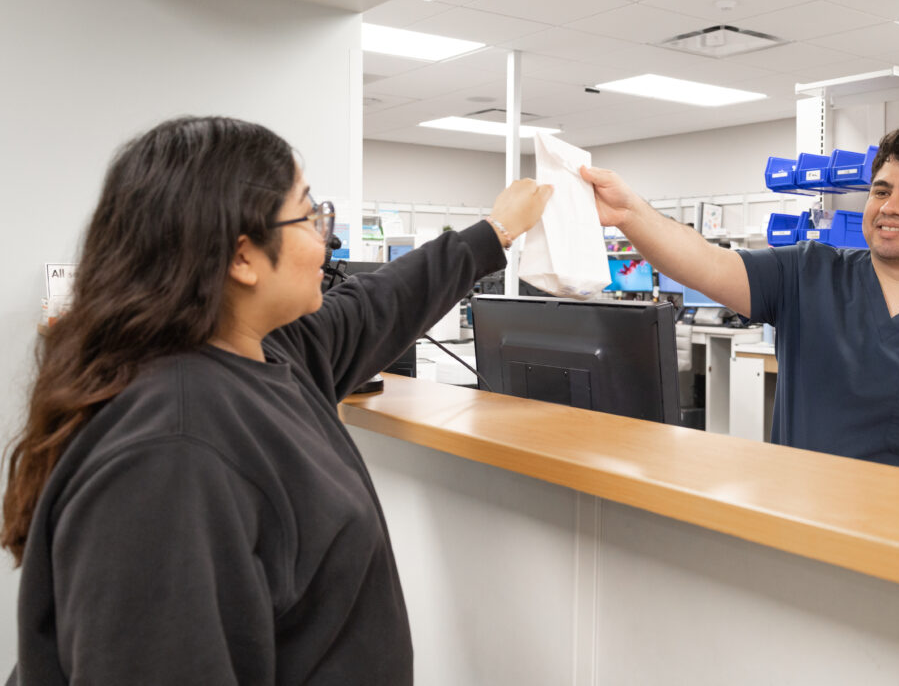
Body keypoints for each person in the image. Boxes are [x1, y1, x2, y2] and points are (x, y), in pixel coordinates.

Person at [1, 116, 552, 685]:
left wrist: (495, 231)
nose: (326, 238)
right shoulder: (171, 453)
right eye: (309, 214)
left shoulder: (266, 353)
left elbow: (378, 306)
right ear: (241, 258)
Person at [581, 123, 899, 491]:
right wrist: (629, 214)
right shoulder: (805, 275)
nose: (889, 206)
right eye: (881, 191)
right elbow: (705, 262)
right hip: (798, 524)